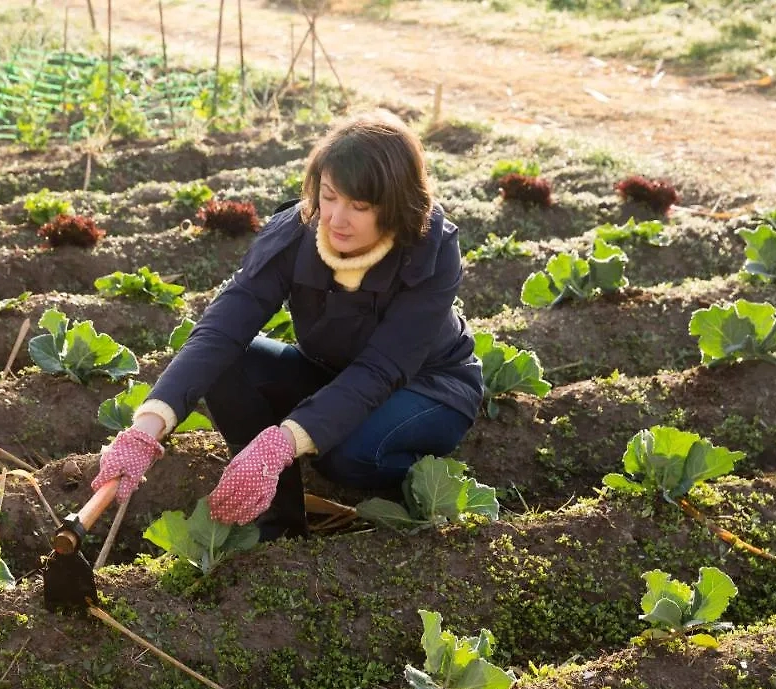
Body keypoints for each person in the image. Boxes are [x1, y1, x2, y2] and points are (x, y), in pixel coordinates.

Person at [93, 111, 485, 541]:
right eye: (331, 195)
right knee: (232, 363)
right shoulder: (297, 233)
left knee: (344, 454)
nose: (337, 218)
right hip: (331, 375)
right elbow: (221, 329)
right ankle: (276, 524)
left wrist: (282, 442)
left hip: (428, 386)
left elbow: (381, 368)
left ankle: (419, 479)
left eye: (360, 206)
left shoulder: (430, 251)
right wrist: (146, 427)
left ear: (394, 207)